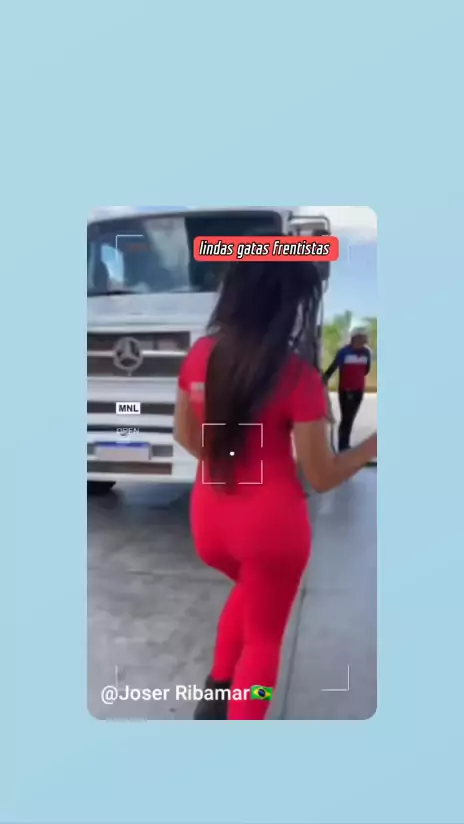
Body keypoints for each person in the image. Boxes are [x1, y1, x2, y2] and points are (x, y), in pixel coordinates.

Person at [174, 261, 377, 721]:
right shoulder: (297, 376)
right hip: (272, 529)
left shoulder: (199, 354)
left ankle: (215, 700)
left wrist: (229, 462)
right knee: (264, 641)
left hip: (209, 522)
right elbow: (321, 475)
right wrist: (372, 446)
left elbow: (186, 436)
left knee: (252, 592)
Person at [324, 327, 371, 452]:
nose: (366, 339)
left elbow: (366, 370)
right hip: (346, 390)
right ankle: (343, 447)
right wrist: (323, 379)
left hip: (359, 390)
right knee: (347, 418)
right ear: (355, 337)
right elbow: (333, 367)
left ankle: (345, 445)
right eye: (363, 337)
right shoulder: (344, 352)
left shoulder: (367, 353)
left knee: (350, 418)